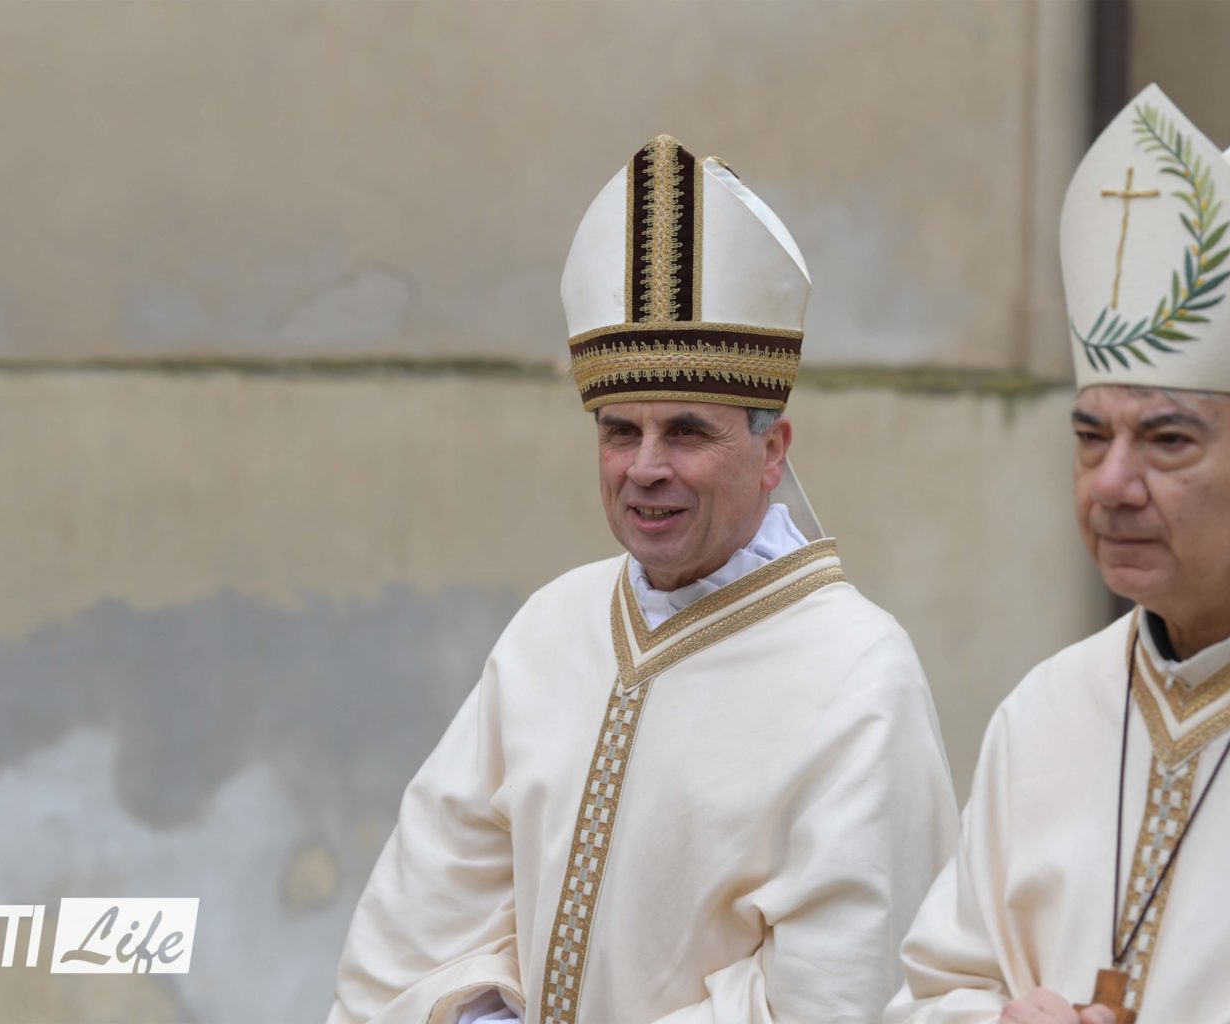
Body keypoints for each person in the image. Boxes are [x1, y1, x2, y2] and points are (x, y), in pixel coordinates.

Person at [330, 134, 957, 1024]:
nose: (645, 467)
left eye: (687, 433)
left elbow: (837, 994)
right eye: (620, 431)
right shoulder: (552, 628)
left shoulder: (858, 677)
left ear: (772, 451)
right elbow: (423, 918)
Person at [885, 85, 1230, 1024]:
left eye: (1167, 441)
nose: (1112, 485)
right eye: (1090, 438)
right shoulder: (1047, 710)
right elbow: (933, 992)